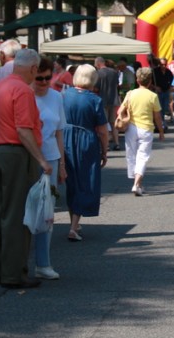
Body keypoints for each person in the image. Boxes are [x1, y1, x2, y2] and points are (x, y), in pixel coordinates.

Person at [0, 48, 52, 290]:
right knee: (17, 215)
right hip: (14, 154)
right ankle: (13, 274)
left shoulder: (0, 86)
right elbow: (23, 130)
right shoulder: (22, 90)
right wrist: (42, 160)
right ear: (33, 69)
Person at [61, 64, 109, 241]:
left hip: (66, 137)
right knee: (85, 180)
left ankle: (73, 220)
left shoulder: (64, 95)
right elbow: (103, 130)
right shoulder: (94, 99)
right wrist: (105, 150)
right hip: (86, 139)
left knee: (71, 181)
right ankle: (74, 226)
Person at [31, 57, 67, 280]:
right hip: (29, 158)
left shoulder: (56, 97)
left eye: (47, 78)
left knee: (46, 213)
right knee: (26, 210)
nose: (44, 82)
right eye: (39, 78)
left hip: (51, 159)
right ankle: (20, 260)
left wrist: (63, 164)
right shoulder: (25, 93)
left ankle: (43, 262)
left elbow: (60, 132)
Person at [120, 67, 165, 195]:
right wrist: (161, 131)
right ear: (150, 81)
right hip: (146, 128)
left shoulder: (130, 94)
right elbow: (157, 116)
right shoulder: (153, 96)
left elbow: (120, 111)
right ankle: (137, 184)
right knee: (143, 157)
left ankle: (137, 183)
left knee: (131, 156)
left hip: (131, 128)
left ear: (137, 80)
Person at [95, 57, 121, 149]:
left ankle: (106, 145)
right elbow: (117, 84)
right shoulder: (114, 72)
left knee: (104, 124)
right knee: (113, 124)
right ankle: (117, 143)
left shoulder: (98, 74)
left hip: (103, 101)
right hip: (114, 100)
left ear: (98, 64)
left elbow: (96, 88)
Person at [151, 57, 174, 123]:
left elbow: (172, 82)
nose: (163, 66)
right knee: (157, 108)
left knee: (164, 107)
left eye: (165, 64)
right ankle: (158, 122)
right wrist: (155, 87)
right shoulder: (155, 71)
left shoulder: (168, 72)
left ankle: (162, 121)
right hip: (157, 92)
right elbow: (150, 82)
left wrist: (170, 88)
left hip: (166, 92)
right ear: (159, 64)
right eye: (162, 64)